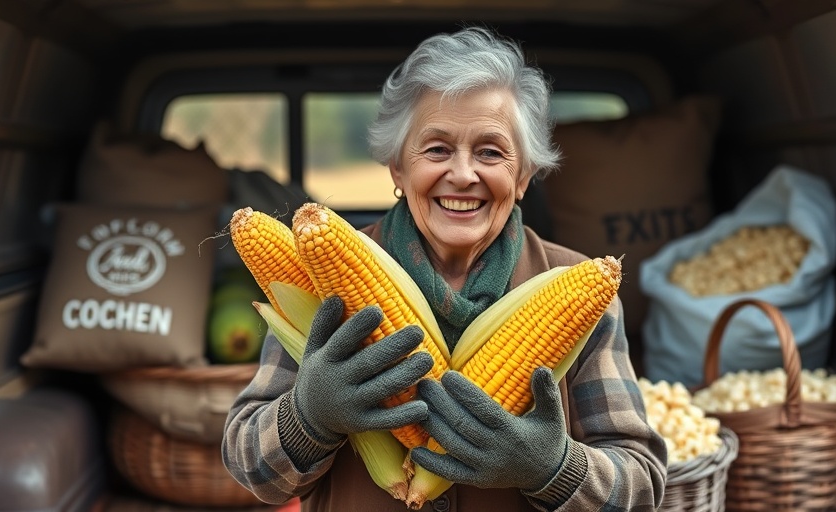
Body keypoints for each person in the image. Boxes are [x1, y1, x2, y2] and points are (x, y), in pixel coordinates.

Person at [222, 26, 667, 511]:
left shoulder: (582, 290)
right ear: (398, 168)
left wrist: (554, 468)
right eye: (436, 149)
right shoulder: (319, 274)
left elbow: (640, 488)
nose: (461, 174)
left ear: (523, 177)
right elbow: (250, 468)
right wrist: (307, 417)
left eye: (491, 152)